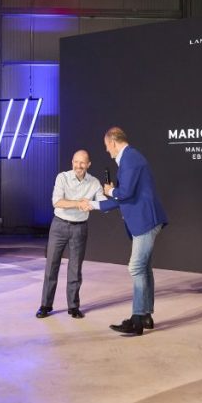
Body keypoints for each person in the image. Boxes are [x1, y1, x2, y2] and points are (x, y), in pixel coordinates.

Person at [95, 127, 168, 336]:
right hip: (146, 220)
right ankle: (145, 316)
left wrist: (110, 190)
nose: (107, 151)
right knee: (143, 268)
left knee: (135, 267)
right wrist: (94, 204)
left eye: (107, 146)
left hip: (145, 221)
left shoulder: (130, 158)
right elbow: (126, 196)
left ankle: (136, 320)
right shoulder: (131, 158)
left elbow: (125, 193)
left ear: (113, 142)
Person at [37, 149, 106, 319]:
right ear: (72, 162)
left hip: (79, 228)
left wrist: (110, 194)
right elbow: (57, 202)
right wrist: (79, 203)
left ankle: (73, 307)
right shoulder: (62, 177)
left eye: (82, 162)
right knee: (51, 266)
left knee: (75, 268)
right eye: (76, 162)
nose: (78, 166)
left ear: (88, 164)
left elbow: (103, 204)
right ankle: (45, 305)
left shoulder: (94, 182)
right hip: (59, 226)